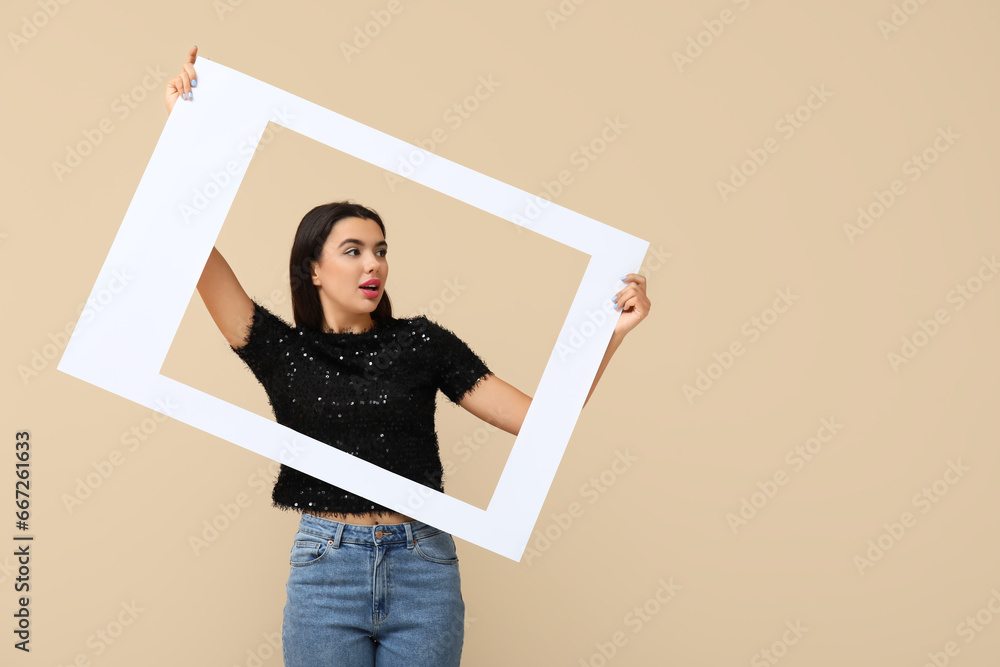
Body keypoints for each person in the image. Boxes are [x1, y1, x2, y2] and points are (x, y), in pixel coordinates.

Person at [165, 45, 650, 667]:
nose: (374, 263)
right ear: (312, 268)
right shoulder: (278, 349)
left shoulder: (420, 341)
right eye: (352, 250)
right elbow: (190, 246)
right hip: (325, 567)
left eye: (381, 249)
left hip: (423, 563)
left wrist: (612, 333)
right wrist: (183, 129)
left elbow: (537, 420)